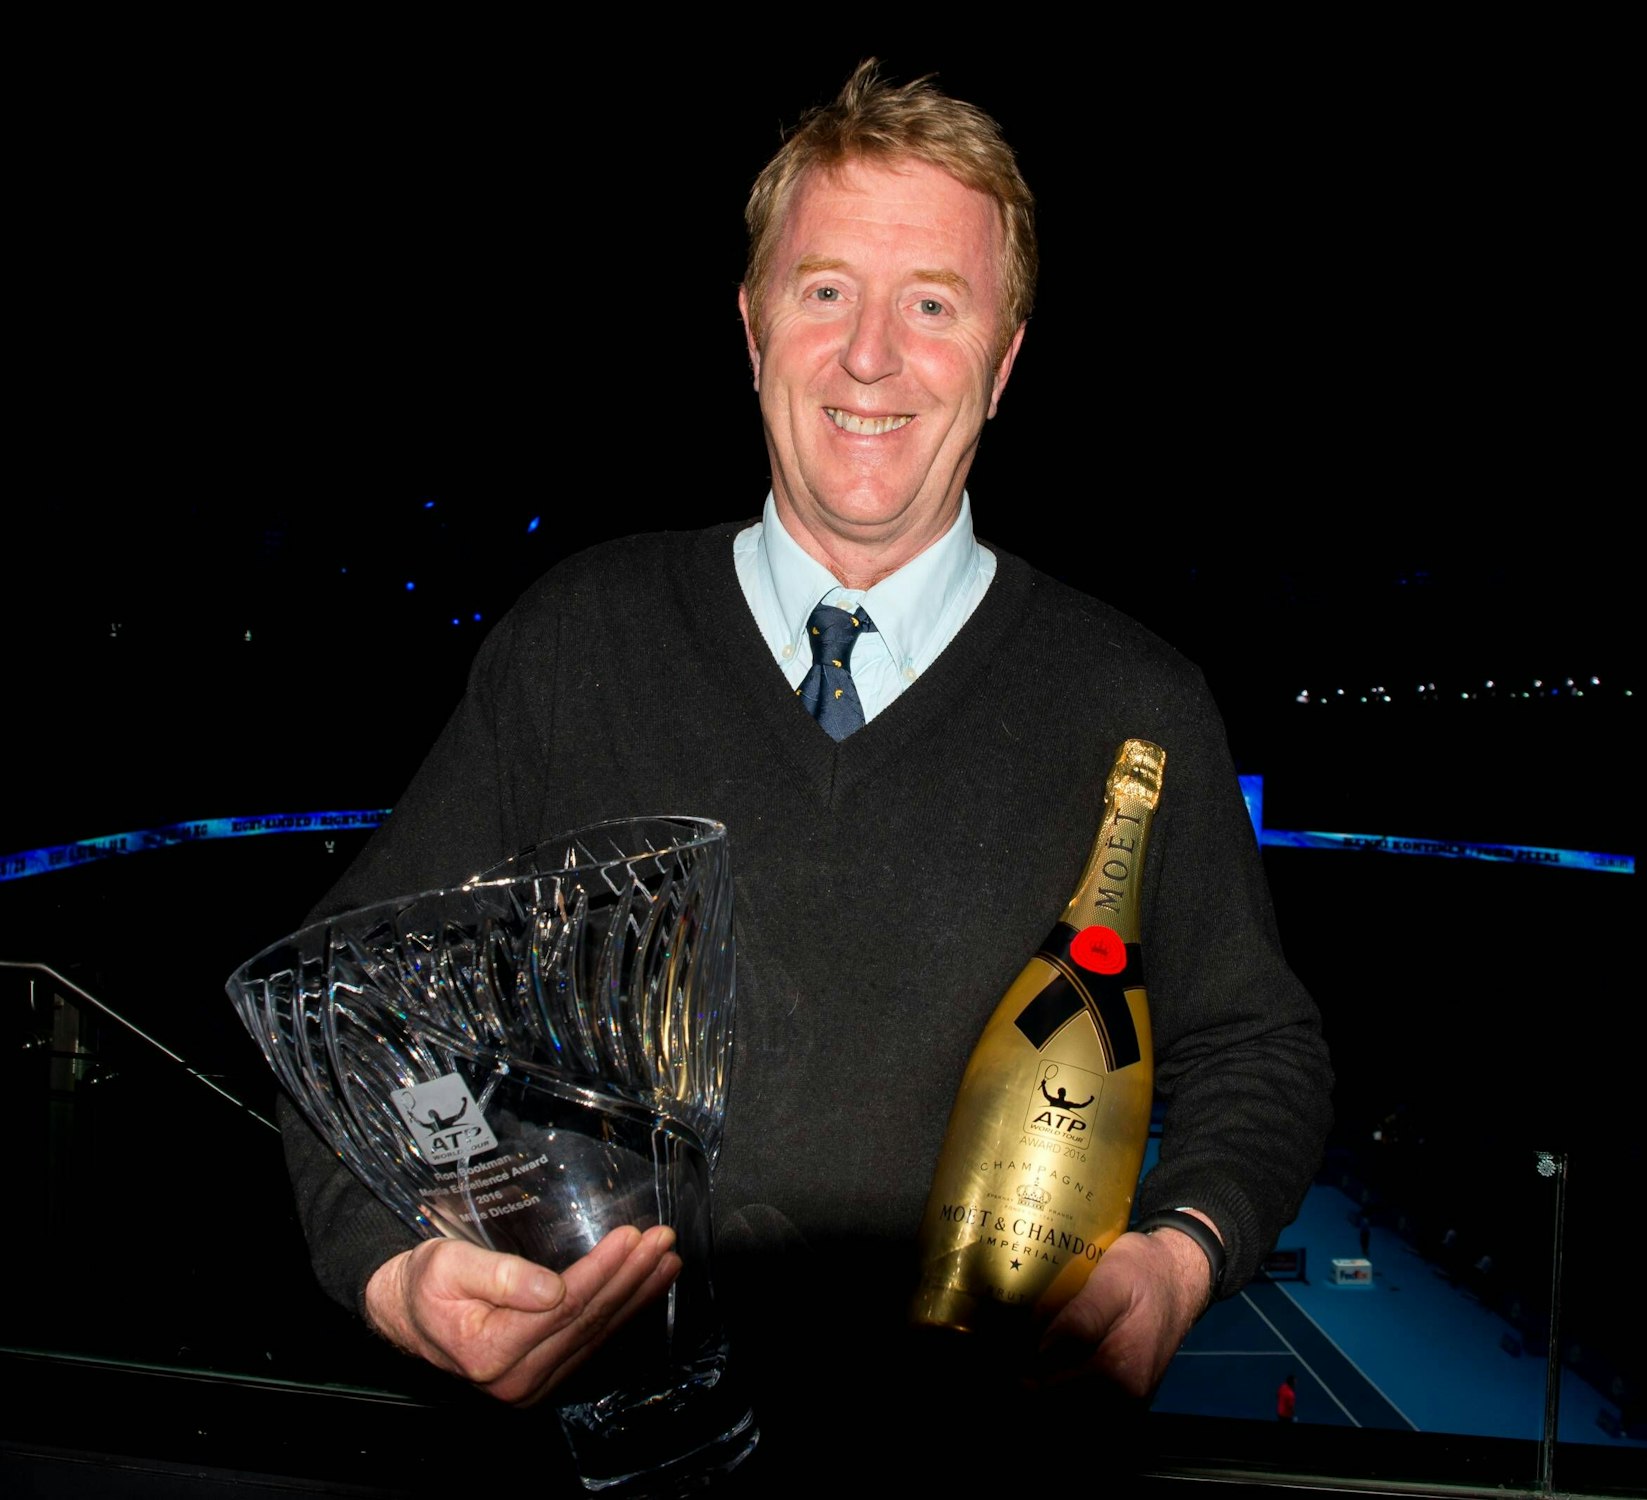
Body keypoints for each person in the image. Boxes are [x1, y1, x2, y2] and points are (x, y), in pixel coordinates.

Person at [279, 57, 1333, 1467]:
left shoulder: (1134, 703)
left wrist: (1184, 1256)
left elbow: (1258, 1043)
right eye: (825, 288)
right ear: (752, 324)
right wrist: (394, 1274)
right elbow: (340, 1002)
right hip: (610, 1470)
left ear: (1007, 359)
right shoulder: (576, 638)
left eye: (934, 305)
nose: (872, 357)